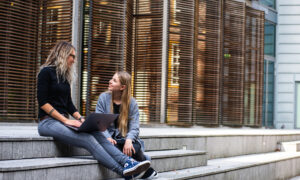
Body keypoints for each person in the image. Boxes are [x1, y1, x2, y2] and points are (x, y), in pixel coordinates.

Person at [37, 41, 150, 178]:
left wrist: (81, 119)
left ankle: (128, 162)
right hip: (48, 123)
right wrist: (66, 120)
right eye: (72, 55)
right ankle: (123, 172)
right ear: (63, 54)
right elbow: (43, 102)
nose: (74, 59)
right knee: (88, 140)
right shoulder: (45, 72)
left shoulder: (64, 77)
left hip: (62, 121)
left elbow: (68, 104)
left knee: (97, 132)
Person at [96, 71, 158, 179]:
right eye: (111, 79)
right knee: (110, 147)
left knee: (134, 147)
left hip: (125, 140)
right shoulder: (103, 98)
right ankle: (144, 168)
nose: (110, 82)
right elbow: (99, 121)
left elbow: (134, 127)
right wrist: (108, 137)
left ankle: (136, 169)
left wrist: (129, 140)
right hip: (110, 140)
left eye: (114, 80)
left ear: (122, 87)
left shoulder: (132, 103)